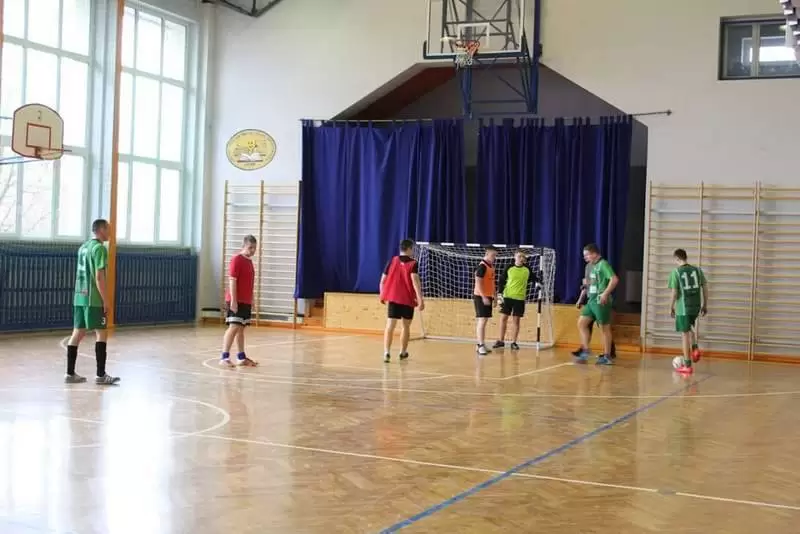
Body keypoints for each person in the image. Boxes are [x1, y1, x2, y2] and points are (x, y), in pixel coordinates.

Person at [65, 219, 120, 385]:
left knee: (77, 333)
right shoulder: (99, 249)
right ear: (101, 230)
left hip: (79, 297)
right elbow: (99, 277)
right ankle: (101, 375)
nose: (110, 232)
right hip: (93, 299)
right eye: (108, 229)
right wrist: (106, 300)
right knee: (101, 332)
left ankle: (69, 373)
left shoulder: (83, 247)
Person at [379, 239, 425, 363]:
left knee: (390, 326)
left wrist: (382, 294)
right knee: (406, 326)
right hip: (407, 299)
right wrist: (420, 299)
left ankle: (386, 352)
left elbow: (382, 281)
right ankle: (402, 352)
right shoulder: (413, 263)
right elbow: (415, 282)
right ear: (409, 249)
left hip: (393, 297)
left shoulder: (392, 261)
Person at [575, 243, 619, 365]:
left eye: (587, 255)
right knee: (581, 323)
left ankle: (607, 356)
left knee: (605, 328)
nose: (585, 258)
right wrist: (580, 299)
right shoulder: (590, 266)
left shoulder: (603, 264)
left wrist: (605, 293)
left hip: (601, 301)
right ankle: (585, 350)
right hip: (591, 301)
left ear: (594, 254)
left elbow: (614, 279)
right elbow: (587, 284)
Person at [220, 235, 258, 367]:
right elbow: (232, 281)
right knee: (233, 327)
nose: (252, 250)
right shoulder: (237, 259)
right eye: (250, 247)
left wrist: (252, 299)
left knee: (241, 329)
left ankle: (241, 357)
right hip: (236, 300)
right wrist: (234, 301)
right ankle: (224, 357)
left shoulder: (249, 262)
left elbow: (249, 283)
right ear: (244, 246)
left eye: (254, 248)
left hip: (245, 301)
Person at [668, 248, 707, 374]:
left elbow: (674, 292)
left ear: (677, 258)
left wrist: (670, 306)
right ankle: (695, 348)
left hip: (683, 307)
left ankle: (687, 365)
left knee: (684, 334)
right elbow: (705, 287)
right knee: (690, 327)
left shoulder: (676, 272)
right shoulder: (697, 270)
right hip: (695, 306)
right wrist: (705, 304)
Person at [493, 251, 533, 350]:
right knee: (503, 318)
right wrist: (499, 294)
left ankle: (514, 342)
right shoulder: (509, 267)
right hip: (507, 297)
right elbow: (502, 280)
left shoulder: (527, 269)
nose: (521, 258)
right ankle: (501, 341)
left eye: (523, 256)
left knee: (516, 321)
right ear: (515, 257)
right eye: (519, 256)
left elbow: (533, 278)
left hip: (519, 299)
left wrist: (538, 282)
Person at [473, 245, 498, 355]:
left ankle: (480, 344)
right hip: (480, 297)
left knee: (485, 321)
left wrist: (495, 296)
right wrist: (483, 297)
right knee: (482, 321)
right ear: (487, 254)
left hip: (488, 296)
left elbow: (492, 283)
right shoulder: (482, 266)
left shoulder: (491, 267)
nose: (494, 257)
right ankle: (480, 345)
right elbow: (478, 283)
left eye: (495, 255)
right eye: (493, 255)